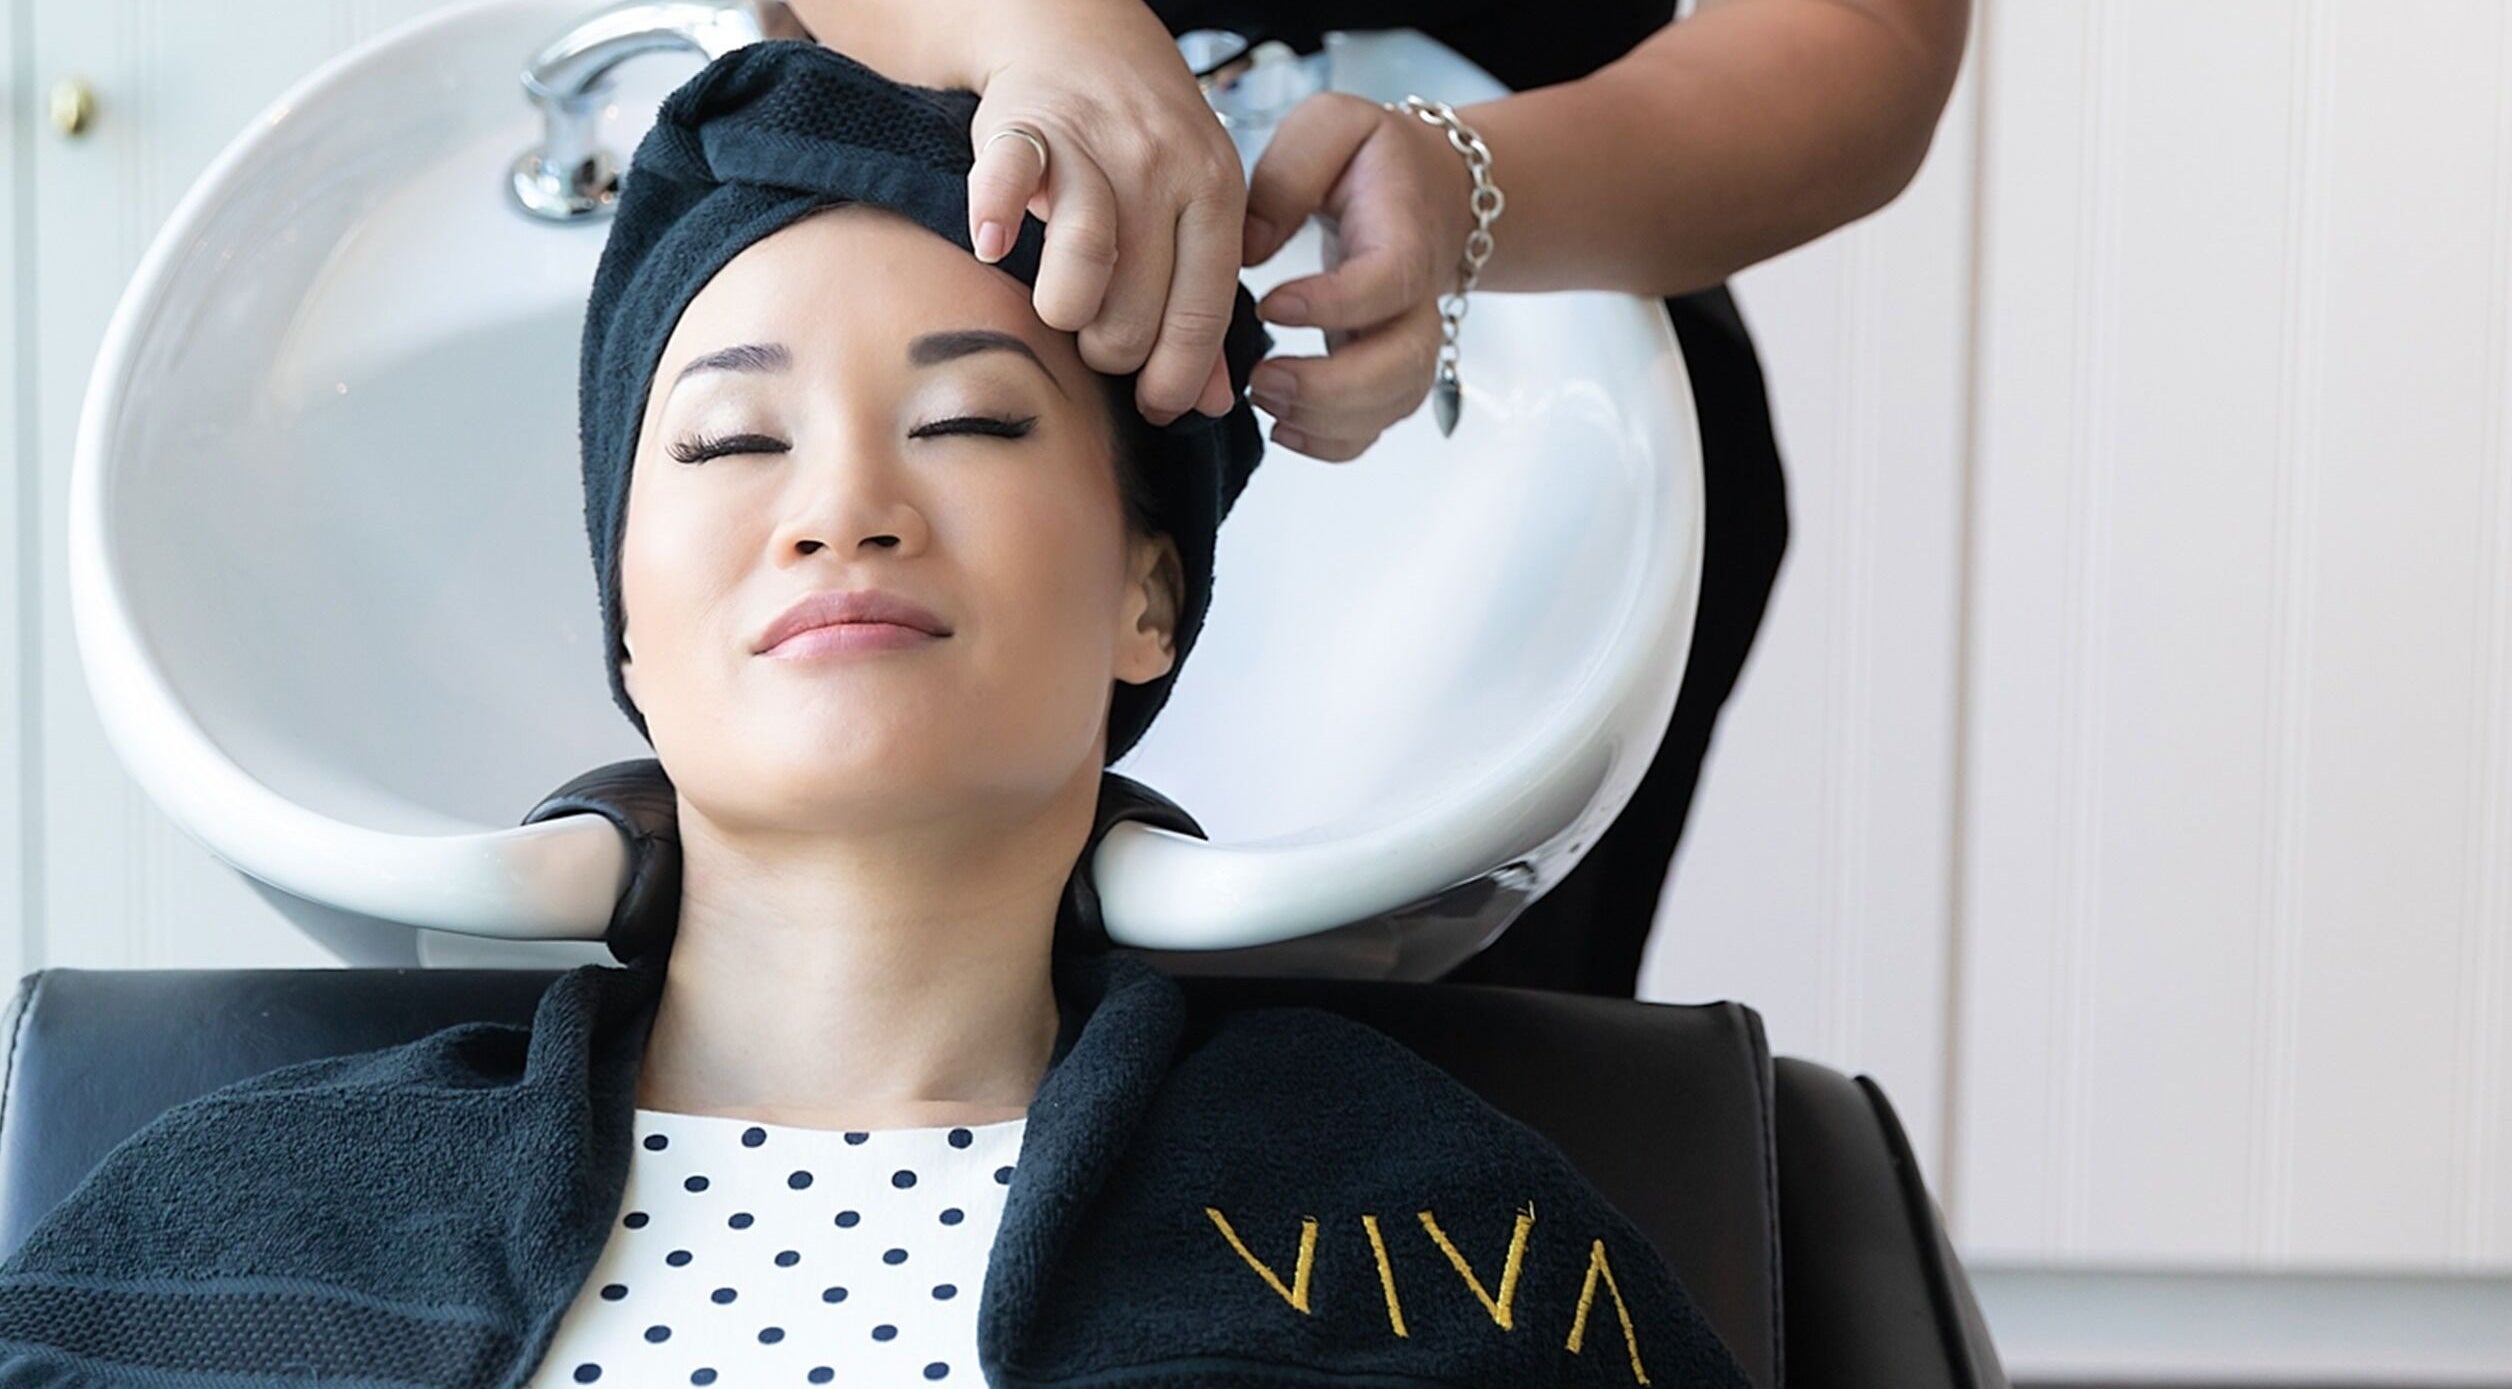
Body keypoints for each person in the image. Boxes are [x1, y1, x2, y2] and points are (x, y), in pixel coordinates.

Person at [0, 42, 1756, 1389]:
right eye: (728, 441)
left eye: (975, 423)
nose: (839, 506)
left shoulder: (1419, 1246)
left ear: (1150, 594)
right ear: (624, 609)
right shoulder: (261, 1223)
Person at [788, 0, 1970, 997]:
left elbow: (1856, 30)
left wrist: (1467, 188)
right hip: (904, 261)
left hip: (1535, 389)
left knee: (1423, 1159)